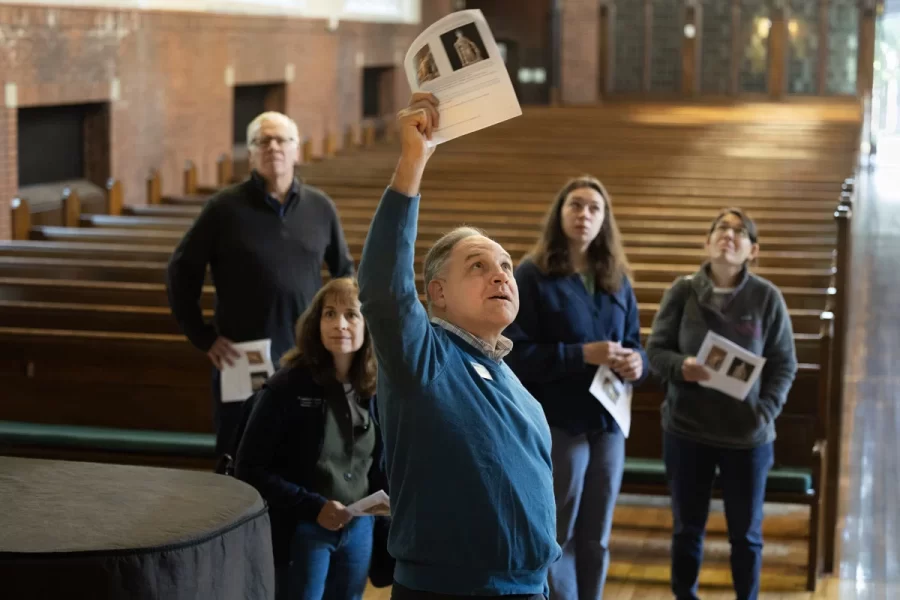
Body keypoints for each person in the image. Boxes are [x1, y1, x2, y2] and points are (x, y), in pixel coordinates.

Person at [356, 92, 561, 600]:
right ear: (438, 294)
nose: (501, 275)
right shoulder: (423, 359)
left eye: (507, 266)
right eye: (478, 265)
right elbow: (384, 287)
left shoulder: (516, 386)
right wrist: (412, 162)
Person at [166, 110, 354, 455]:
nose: (273, 147)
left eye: (282, 139)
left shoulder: (320, 207)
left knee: (302, 452)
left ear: (296, 149)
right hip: (242, 356)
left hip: (307, 354)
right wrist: (202, 335)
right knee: (239, 452)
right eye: (262, 141)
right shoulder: (223, 208)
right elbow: (181, 271)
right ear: (251, 153)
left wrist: (342, 334)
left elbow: (344, 273)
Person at [502, 176, 648, 600]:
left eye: (593, 209)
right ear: (560, 214)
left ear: (604, 220)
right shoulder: (532, 276)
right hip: (559, 420)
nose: (584, 215)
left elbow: (637, 342)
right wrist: (579, 354)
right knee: (558, 530)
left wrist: (637, 361)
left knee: (597, 533)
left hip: (607, 420)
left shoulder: (616, 278)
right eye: (576, 206)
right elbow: (515, 353)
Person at [645, 208, 798, 600]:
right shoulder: (683, 291)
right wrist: (683, 366)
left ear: (752, 250)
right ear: (707, 241)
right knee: (687, 528)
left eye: (739, 232)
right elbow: (656, 352)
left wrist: (765, 411)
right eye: (721, 229)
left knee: (745, 536)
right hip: (687, 430)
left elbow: (784, 363)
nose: (729, 235)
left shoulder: (766, 297)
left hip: (746, 436)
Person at [234, 277, 385, 600]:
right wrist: (313, 506)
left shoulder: (375, 387)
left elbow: (381, 462)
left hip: (359, 528)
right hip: (304, 525)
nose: (339, 324)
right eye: (329, 314)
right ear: (316, 323)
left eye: (351, 315)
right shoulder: (286, 387)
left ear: (367, 324)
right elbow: (248, 468)